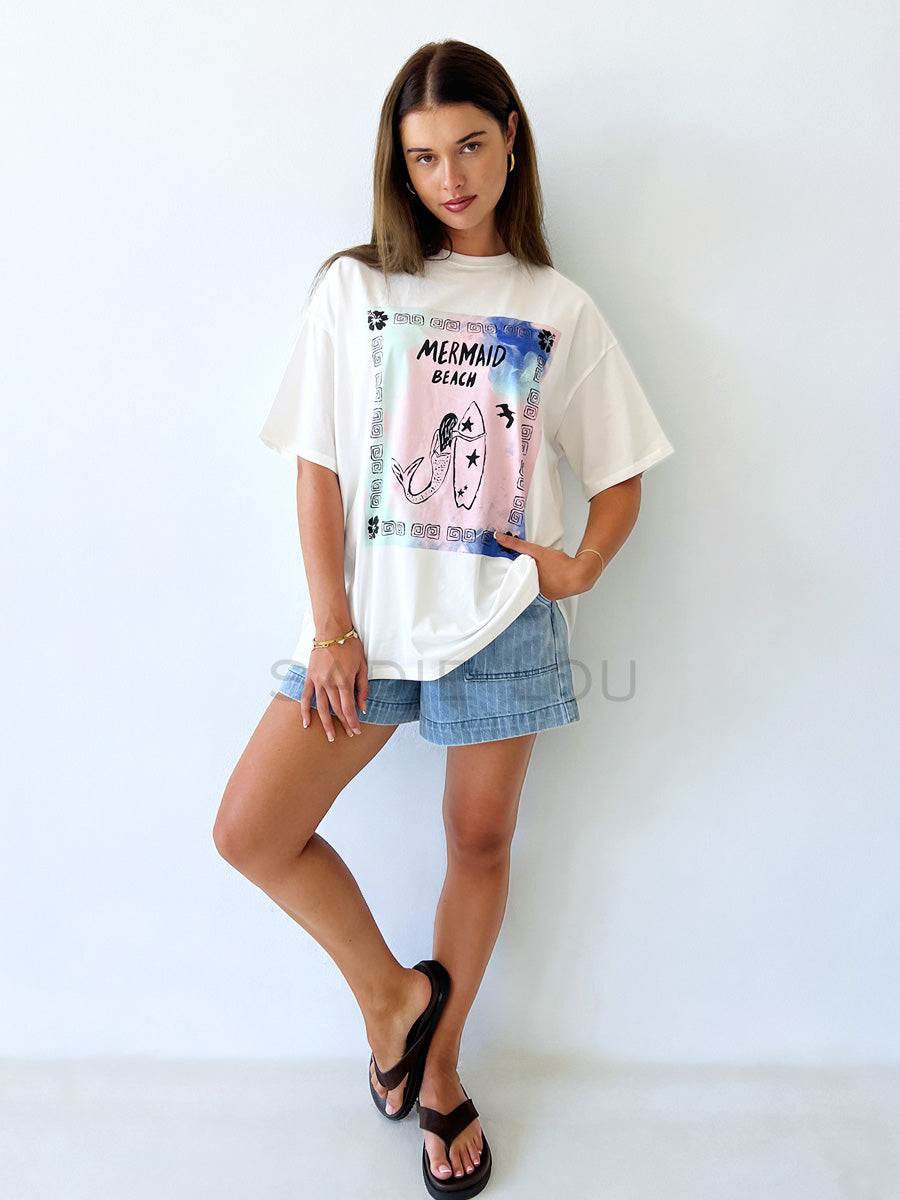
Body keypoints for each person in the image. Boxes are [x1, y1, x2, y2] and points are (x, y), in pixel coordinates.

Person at [213, 38, 674, 1200]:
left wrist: (579, 570)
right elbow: (318, 466)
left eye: (470, 146)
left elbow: (622, 477)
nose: (450, 178)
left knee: (479, 845)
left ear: (511, 139)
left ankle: (439, 1070)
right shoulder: (355, 289)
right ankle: (396, 1000)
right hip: (369, 628)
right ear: (399, 166)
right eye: (423, 157)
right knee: (253, 831)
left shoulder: (557, 307)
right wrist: (331, 624)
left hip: (503, 621)